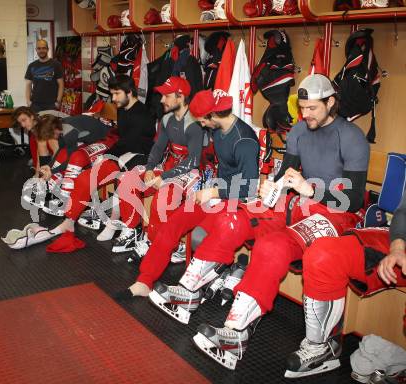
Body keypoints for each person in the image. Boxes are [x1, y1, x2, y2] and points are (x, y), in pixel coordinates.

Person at [158, 74, 370, 370]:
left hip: (335, 213)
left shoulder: (351, 137)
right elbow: (287, 173)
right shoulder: (298, 130)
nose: (304, 114)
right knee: (234, 216)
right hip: (295, 204)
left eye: (311, 108)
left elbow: (356, 200)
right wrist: (274, 185)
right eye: (302, 107)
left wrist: (312, 190)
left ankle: (310, 345)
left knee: (271, 246)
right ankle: (197, 297)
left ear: (331, 102)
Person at [127, 88, 261, 298]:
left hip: (236, 200)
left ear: (214, 115)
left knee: (202, 236)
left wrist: (213, 191)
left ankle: (192, 291)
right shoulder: (217, 129)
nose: (201, 125)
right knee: (172, 223)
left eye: (202, 121)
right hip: (215, 192)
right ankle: (145, 279)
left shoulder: (244, 141)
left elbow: (250, 187)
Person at [285, 191, 406, 379]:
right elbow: (404, 212)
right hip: (400, 241)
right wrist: (398, 248)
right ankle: (322, 347)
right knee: (323, 253)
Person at [105, 76, 206, 255]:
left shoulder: (195, 123)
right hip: (169, 166)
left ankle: (156, 242)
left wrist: (163, 177)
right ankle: (132, 230)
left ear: (181, 97)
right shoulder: (167, 119)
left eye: (167, 95)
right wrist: (150, 167)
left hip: (194, 173)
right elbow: (158, 147)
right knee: (128, 179)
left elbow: (193, 162)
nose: (161, 100)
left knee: (163, 197)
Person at [49, 75, 156, 237]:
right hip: (121, 153)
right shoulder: (122, 109)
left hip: (140, 156)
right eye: (112, 94)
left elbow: (130, 143)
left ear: (129, 92)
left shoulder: (143, 114)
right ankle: (69, 221)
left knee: (122, 182)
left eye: (117, 94)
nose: (113, 98)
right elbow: (121, 139)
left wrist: (107, 155)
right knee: (86, 178)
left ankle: (113, 224)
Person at [25, 111, 118, 215]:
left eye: (49, 135)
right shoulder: (60, 127)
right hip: (92, 140)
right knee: (63, 153)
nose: (50, 138)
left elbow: (70, 160)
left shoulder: (69, 131)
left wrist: (52, 170)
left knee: (76, 158)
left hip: (110, 140)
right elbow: (60, 152)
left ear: (54, 129)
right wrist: (49, 166)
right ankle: (48, 188)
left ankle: (65, 201)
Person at [12, 106, 67, 176]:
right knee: (35, 140)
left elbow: (57, 151)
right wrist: (37, 173)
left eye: (24, 120)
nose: (22, 125)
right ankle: (42, 171)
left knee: (42, 141)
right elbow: (38, 151)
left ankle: (47, 173)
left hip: (69, 142)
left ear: (31, 116)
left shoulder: (45, 125)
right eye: (20, 123)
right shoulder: (35, 130)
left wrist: (51, 172)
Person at [25, 39, 64, 113]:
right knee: (37, 124)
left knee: (51, 125)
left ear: (47, 49)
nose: (41, 50)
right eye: (39, 48)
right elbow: (28, 85)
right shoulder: (31, 66)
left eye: (43, 48)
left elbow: (61, 84)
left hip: (51, 104)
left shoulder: (56, 64)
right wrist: (28, 101)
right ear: (36, 50)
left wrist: (58, 101)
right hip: (35, 104)